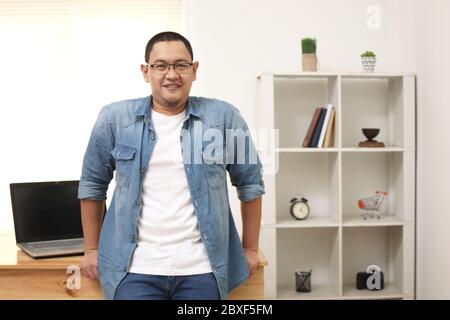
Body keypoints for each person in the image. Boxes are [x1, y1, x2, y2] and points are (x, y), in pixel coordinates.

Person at [78, 31, 265, 300]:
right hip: (133, 271)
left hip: (202, 271)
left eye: (180, 65)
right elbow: (92, 185)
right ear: (146, 71)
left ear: (194, 70)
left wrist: (250, 247)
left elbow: (250, 183)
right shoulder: (114, 119)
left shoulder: (224, 118)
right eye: (161, 65)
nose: (171, 74)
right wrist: (91, 250)